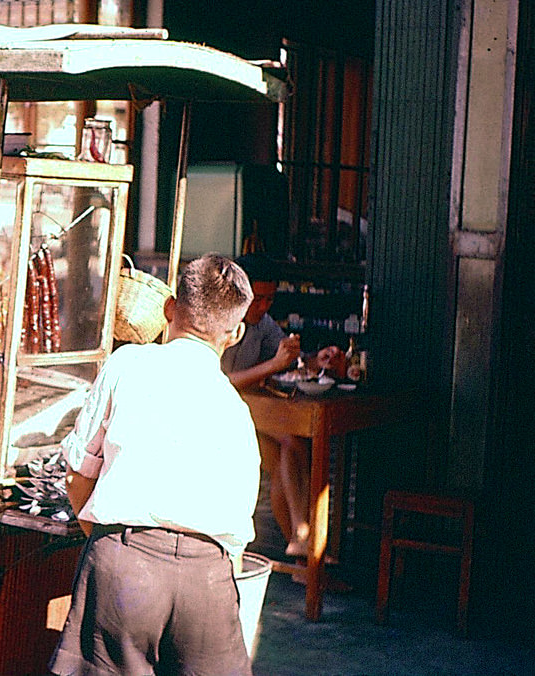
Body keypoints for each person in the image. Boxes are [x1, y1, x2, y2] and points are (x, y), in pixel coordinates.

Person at [50, 254, 260, 676]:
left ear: (168, 309)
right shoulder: (237, 410)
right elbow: (237, 537)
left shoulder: (128, 365)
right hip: (207, 582)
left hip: (124, 569)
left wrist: (111, 543)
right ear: (235, 334)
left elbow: (77, 475)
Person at [221, 253, 340, 558]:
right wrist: (271, 366)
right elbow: (216, 383)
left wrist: (316, 359)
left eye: (269, 300)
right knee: (291, 441)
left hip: (253, 414)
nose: (262, 307)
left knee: (288, 456)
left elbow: (293, 361)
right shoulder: (220, 322)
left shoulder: (263, 325)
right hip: (218, 414)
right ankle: (303, 540)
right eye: (257, 299)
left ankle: (301, 550)